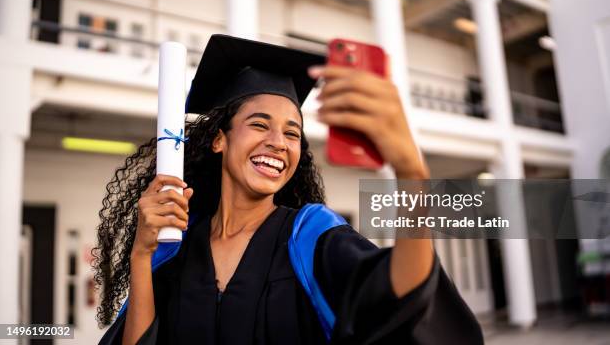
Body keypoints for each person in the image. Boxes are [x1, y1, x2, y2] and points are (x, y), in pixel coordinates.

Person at [94, 34, 483, 344]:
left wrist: (410, 170)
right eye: (260, 125)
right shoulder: (177, 244)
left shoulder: (309, 237)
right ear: (219, 140)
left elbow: (401, 296)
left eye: (292, 133)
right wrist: (142, 256)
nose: (279, 142)